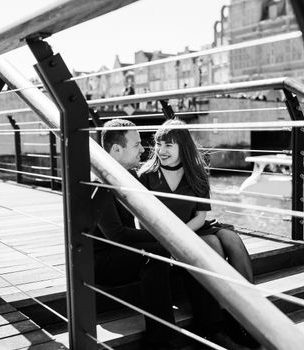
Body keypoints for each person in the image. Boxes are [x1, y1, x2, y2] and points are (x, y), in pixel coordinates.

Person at [138, 118, 257, 348]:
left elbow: (200, 217)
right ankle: (220, 325)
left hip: (194, 227)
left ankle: (249, 316)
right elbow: (142, 219)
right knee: (213, 243)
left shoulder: (197, 172)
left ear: (183, 146)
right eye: (159, 144)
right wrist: (169, 238)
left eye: (169, 145)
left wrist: (180, 234)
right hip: (164, 235)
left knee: (231, 239)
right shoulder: (147, 175)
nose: (161, 150)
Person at [93, 118, 176, 350]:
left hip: (122, 254)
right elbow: (116, 235)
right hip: (99, 262)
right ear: (116, 149)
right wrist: (164, 239)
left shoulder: (128, 174)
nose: (143, 149)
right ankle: (159, 341)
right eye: (137, 144)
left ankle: (210, 325)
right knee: (156, 254)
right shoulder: (99, 180)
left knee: (173, 252)